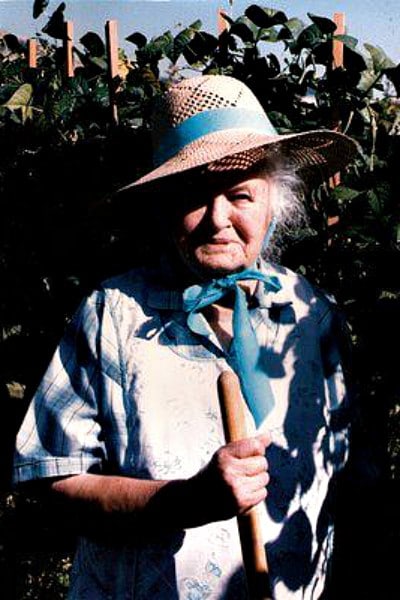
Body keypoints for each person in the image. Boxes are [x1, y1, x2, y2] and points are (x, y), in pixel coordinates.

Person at [13, 74, 358, 599]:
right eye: (195, 196)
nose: (218, 220)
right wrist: (186, 502)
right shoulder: (113, 315)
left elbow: (357, 479)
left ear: (275, 203)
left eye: (240, 195)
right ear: (163, 207)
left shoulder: (312, 316)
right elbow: (51, 482)